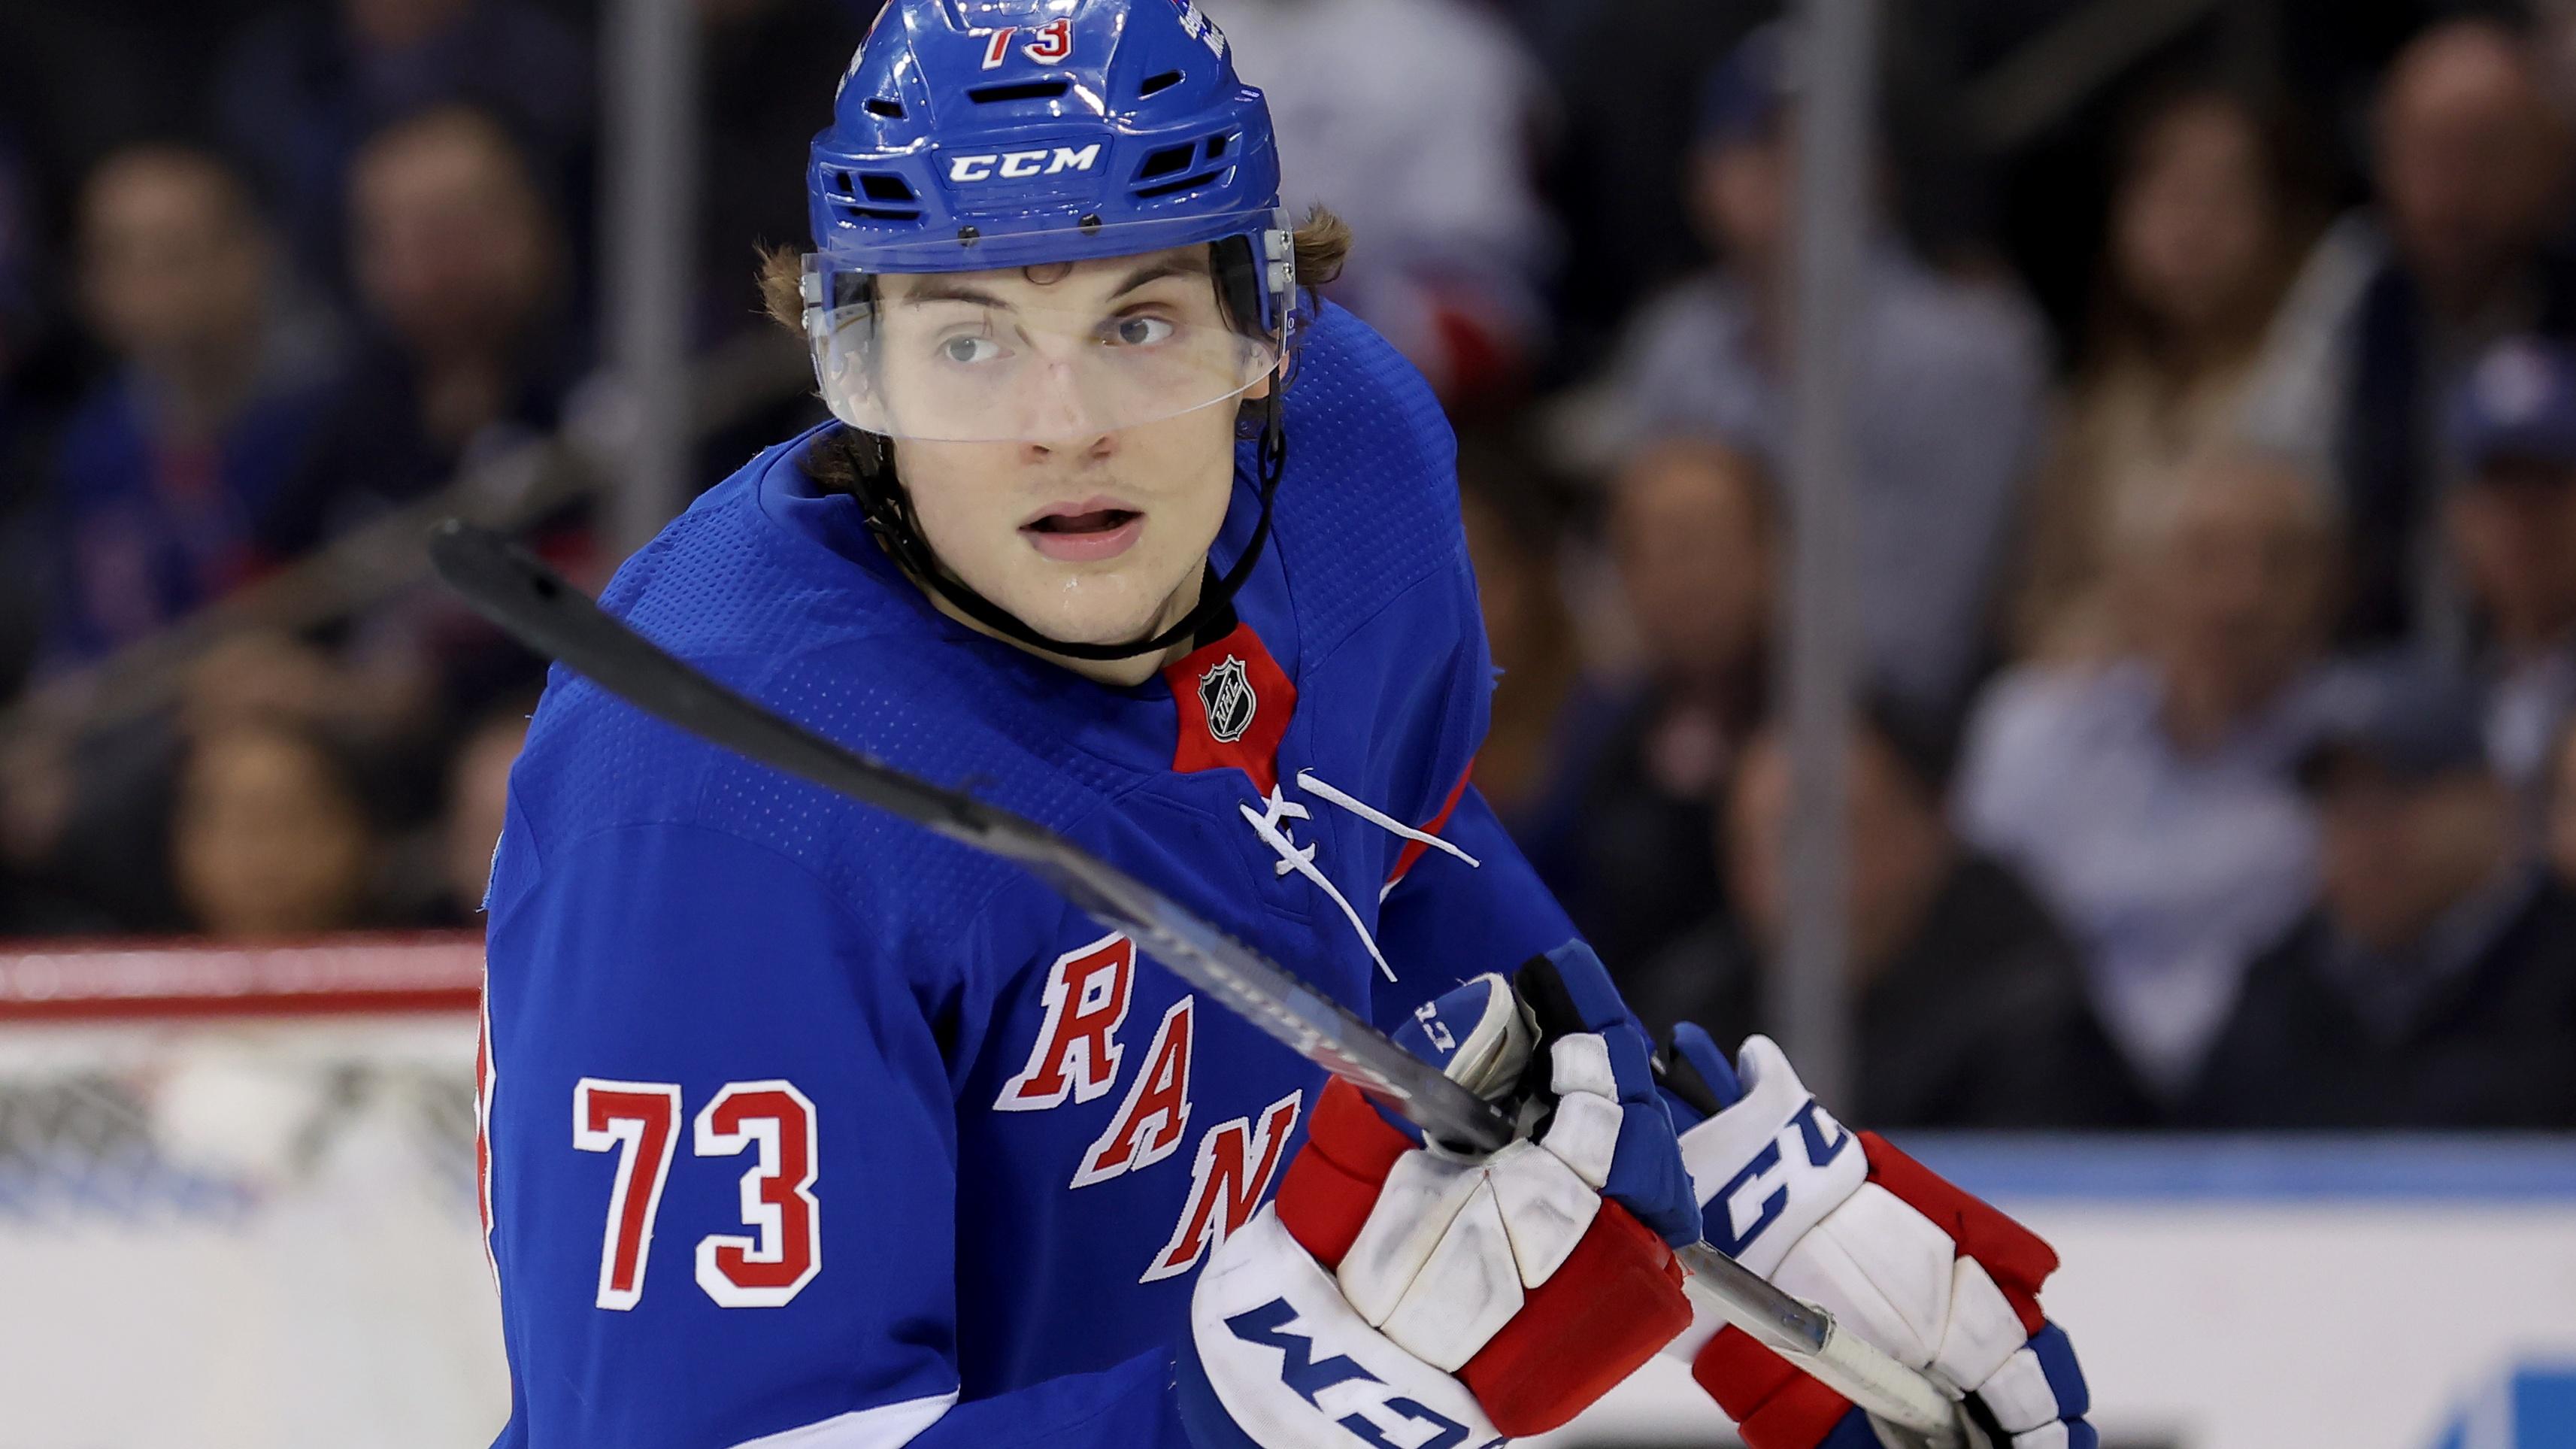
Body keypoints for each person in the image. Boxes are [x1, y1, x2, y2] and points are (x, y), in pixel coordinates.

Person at [478, 5, 2094, 1447]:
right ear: (855, 366)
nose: (1067, 427)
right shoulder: (707, 810)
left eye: (1140, 322)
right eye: (968, 342)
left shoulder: (1352, 470)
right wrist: (1215, 1418)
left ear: (1267, 333)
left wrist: (1716, 1176)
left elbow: (1385, 847)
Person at [1593, 23, 2048, 714]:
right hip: (1695, 707)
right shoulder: (1676, 342)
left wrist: (1725, 616)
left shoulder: (1963, 351)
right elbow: (1625, 581)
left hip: (1890, 728)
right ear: (1702, 177)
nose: (1787, 169)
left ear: (1878, 168)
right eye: (1758, 141)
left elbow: (1922, 642)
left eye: (1817, 142)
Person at [1958, 449, 2339, 1099]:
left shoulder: (2365, 752)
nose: (2241, 597)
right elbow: (1977, 941)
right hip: (2058, 1108)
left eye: (2278, 562)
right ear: (2137, 579)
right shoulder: (2036, 733)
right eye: (2205, 558)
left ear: (2329, 585)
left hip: (2287, 1111)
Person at [1632, 702, 2148, 1129]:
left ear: (1923, 831)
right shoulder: (1697, 1002)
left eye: (1817, 837)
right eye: (1752, 847)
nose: (1789, 877)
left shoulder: (2028, 1010)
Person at [2246, 17, 2576, 647]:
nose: (2455, 186)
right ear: (2383, 159)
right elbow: (2274, 467)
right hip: (2373, 655)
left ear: (2551, 163)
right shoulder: (2357, 277)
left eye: (2487, 150)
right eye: (2429, 150)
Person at [2185, 659, 2576, 1129]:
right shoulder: (2281, 989)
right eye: (2337, 801)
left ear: (2492, 800)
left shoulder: (2557, 967)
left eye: (2395, 792)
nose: (2365, 835)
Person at [2014, 84, 2320, 662]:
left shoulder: (2306, 391)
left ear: (2281, 217)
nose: (2192, 224)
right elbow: (2038, 601)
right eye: (2167, 192)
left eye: (2223, 194)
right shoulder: (2096, 409)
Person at [42, 145, 337, 668]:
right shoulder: (96, 444)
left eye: (175, 252)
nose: (150, 285)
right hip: (128, 723)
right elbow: (82, 634)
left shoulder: (330, 414)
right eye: (121, 257)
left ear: (254, 253)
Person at [1538, 436, 1773, 979]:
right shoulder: (1600, 737)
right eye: (1647, 550)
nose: (1679, 576)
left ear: (1772, 552)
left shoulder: (1851, 736)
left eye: (1698, 543)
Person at [2442, 337, 2576, 808]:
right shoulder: (2431, 697)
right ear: (2457, 516)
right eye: (2499, 489)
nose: (2522, 520)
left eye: (2549, 486)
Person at [171, 721, 382, 940]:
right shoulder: (142, 967)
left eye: (296, 825)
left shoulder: (405, 964)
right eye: (246, 828)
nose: (268, 861)